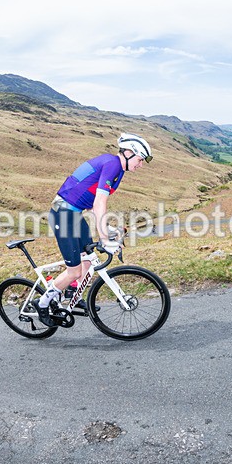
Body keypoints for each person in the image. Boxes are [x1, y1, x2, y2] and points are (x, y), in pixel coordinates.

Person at [31, 132, 152, 326]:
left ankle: (72, 295)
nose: (141, 164)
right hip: (63, 215)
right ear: (128, 153)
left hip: (74, 214)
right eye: (140, 159)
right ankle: (43, 303)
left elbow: (92, 200)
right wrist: (104, 238)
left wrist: (107, 228)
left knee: (87, 260)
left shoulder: (117, 168)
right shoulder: (113, 165)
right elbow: (99, 203)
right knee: (74, 271)